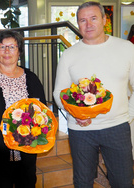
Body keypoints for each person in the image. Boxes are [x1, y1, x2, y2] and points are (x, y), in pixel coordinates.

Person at [53, 1, 134, 187]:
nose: (88, 24)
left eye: (93, 18)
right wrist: (75, 115)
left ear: (105, 20)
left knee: (123, 181)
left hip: (117, 129)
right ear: (78, 24)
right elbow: (59, 92)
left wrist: (127, 116)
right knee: (82, 182)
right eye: (82, 20)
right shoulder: (69, 55)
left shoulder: (127, 48)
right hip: (81, 131)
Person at [0, 30, 46, 188]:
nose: (7, 51)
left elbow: (42, 111)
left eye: (12, 47)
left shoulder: (31, 77)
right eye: (2, 47)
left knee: (27, 182)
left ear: (20, 51)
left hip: (27, 145)